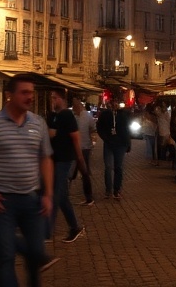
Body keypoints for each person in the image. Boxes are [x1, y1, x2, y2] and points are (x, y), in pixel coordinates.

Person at [0, 75, 54, 287]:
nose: (30, 97)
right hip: (2, 201)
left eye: (31, 92)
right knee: (5, 257)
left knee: (35, 255)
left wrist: (48, 194)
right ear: (10, 95)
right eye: (24, 92)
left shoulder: (38, 123)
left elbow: (45, 158)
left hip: (31, 199)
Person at [45, 88, 86, 244]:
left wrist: (80, 158)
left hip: (65, 159)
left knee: (57, 194)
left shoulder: (67, 115)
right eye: (51, 98)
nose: (52, 100)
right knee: (60, 196)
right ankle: (74, 227)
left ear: (61, 99)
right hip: (54, 159)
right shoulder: (54, 116)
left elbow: (75, 138)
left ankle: (47, 232)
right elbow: (50, 135)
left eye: (54, 98)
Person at [95, 101, 131, 201]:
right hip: (109, 144)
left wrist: (128, 144)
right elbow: (99, 127)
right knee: (108, 167)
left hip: (120, 145)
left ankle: (116, 190)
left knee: (118, 167)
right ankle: (108, 190)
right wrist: (105, 138)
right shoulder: (105, 114)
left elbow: (127, 129)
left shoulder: (123, 114)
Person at [71, 97, 96, 206]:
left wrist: (92, 140)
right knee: (74, 173)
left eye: (75, 107)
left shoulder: (86, 116)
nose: (74, 109)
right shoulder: (74, 116)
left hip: (84, 148)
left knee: (82, 173)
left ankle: (89, 198)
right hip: (78, 148)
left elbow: (92, 129)